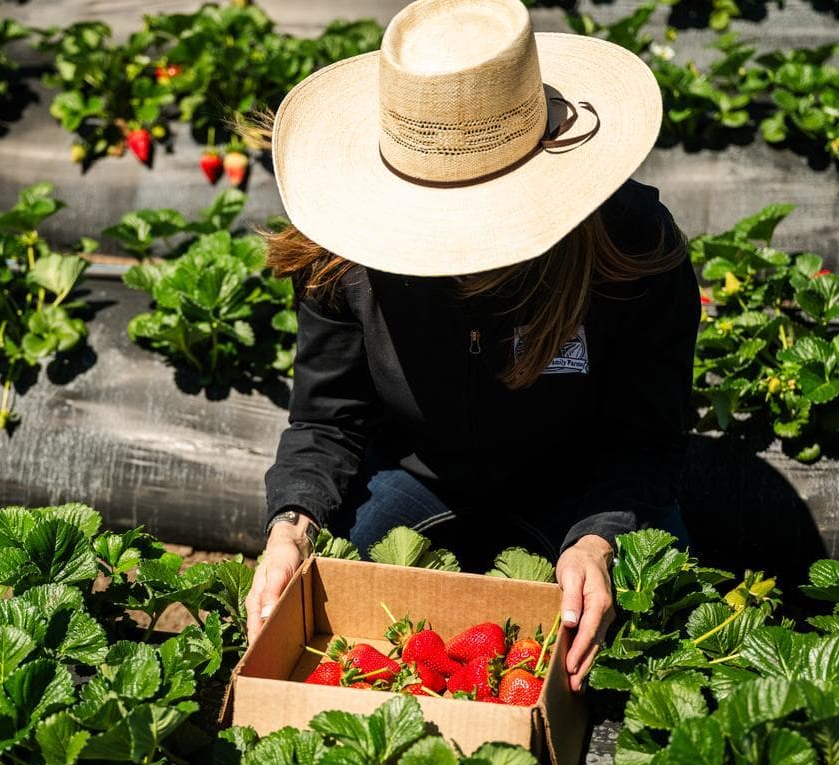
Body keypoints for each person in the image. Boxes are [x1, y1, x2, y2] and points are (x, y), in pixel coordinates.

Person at [243, 0, 700, 693]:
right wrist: (293, 526)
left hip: (582, 482)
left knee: (644, 634)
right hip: (416, 475)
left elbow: (647, 437)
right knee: (338, 617)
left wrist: (599, 537)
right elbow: (325, 419)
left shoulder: (630, 244)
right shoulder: (342, 253)